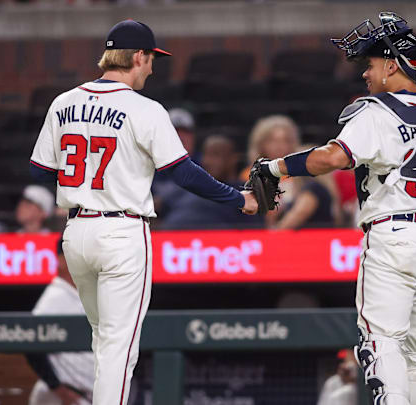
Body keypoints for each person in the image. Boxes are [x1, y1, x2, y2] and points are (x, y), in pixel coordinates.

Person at [253, 13, 416, 404]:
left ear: (392, 64)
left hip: (393, 234)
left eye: (372, 64)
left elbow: (331, 158)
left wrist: (275, 167)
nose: (366, 74)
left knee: (382, 345)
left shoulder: (374, 111)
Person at [28, 20, 257, 405]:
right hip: (121, 232)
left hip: (77, 234)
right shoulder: (144, 108)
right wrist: (239, 198)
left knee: (103, 338)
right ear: (137, 56)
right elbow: (183, 172)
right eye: (151, 59)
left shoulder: (63, 101)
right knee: (119, 349)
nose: (152, 68)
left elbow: (40, 170)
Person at [26, 238, 95, 405]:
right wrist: (56, 387)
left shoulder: (85, 293)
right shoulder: (55, 296)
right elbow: (30, 344)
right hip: (65, 396)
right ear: (61, 260)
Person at [162, 135, 262, 229]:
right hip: (170, 242)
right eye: (206, 154)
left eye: (216, 155)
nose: (208, 161)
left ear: (233, 159)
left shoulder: (245, 192)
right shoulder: (184, 187)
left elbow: (255, 234)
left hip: (221, 244)